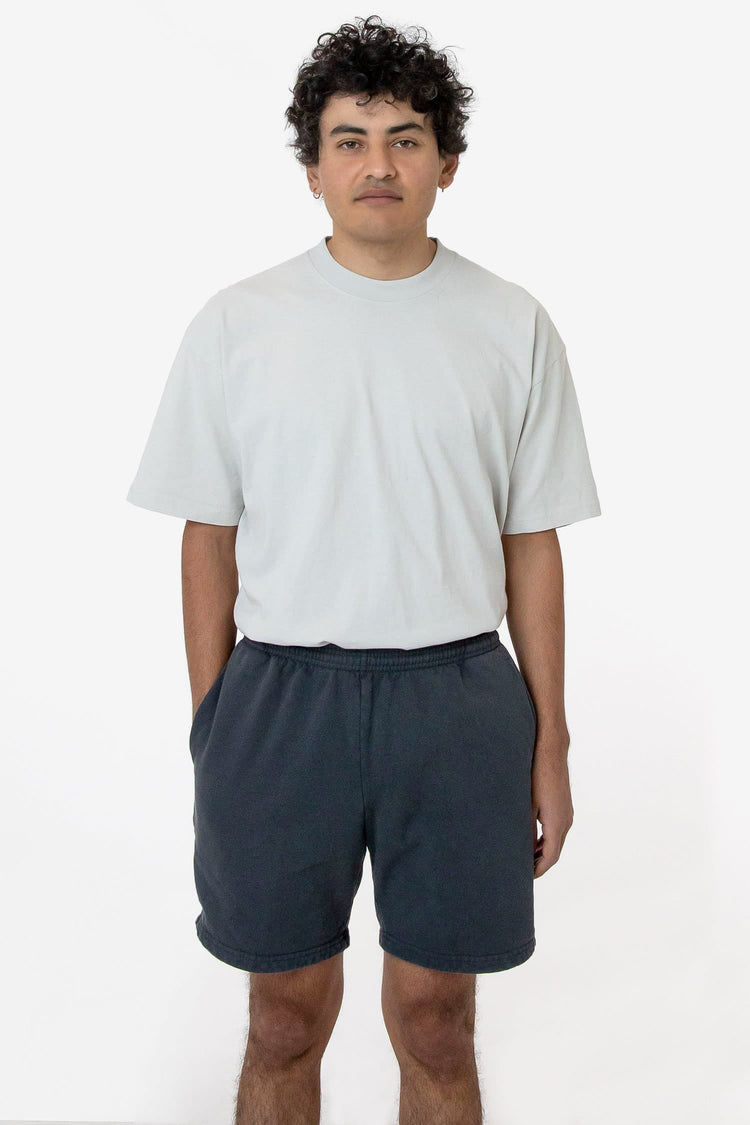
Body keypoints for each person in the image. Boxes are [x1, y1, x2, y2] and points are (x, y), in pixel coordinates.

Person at [126, 14, 601, 1125]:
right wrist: (215, 720)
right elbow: (207, 535)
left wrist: (551, 738)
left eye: (405, 138)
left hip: (458, 697)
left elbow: (532, 541)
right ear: (313, 169)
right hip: (281, 699)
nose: (377, 163)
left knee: (438, 1019)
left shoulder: (512, 324)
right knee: (283, 1017)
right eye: (349, 140)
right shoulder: (239, 324)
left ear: (446, 163)